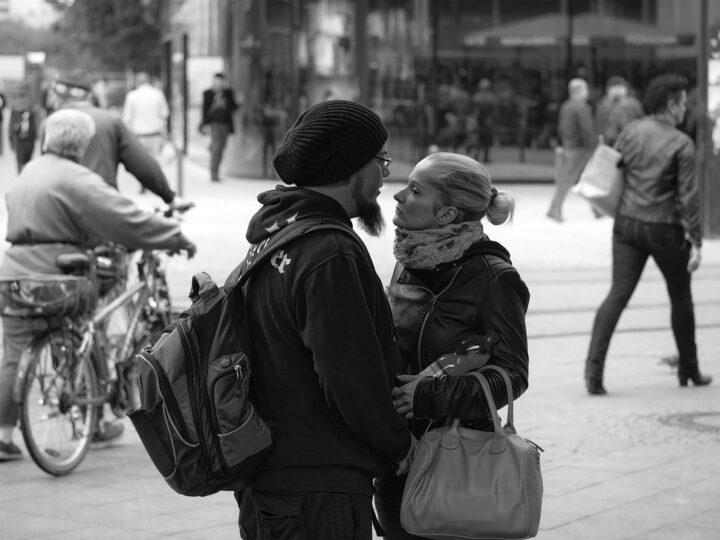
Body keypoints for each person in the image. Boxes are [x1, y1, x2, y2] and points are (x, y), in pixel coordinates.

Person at [236, 100, 414, 540]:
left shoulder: (277, 235)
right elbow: (349, 375)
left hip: (274, 485)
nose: (385, 175)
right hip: (317, 491)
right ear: (350, 167)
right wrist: (400, 447)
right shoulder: (329, 251)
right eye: (380, 160)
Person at [0, 109, 196, 461]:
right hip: (59, 276)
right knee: (84, 330)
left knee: (13, 356)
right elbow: (125, 218)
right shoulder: (78, 178)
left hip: (14, 273)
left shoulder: (31, 170)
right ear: (82, 143)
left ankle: (3, 435)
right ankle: (95, 413)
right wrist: (174, 236)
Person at [374, 152, 530, 539]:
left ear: (445, 215)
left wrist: (430, 396)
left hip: (456, 459)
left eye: (414, 190)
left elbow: (514, 374)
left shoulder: (495, 278)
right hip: (398, 458)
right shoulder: (409, 260)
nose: (397, 197)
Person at [584, 74, 712, 395]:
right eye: (683, 101)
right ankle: (689, 368)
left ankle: (593, 373)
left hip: (627, 224)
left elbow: (616, 168)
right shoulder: (681, 142)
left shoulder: (632, 130)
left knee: (617, 295)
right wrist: (695, 240)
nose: (685, 107)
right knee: (680, 296)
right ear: (671, 105)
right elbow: (688, 196)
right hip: (663, 228)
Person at [46, 74, 179, 207]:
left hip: (62, 205)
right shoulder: (110, 121)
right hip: (104, 202)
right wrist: (168, 196)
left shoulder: (50, 124)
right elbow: (142, 163)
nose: (51, 102)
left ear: (60, 97)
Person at [547, 78, 596, 222]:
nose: (587, 92)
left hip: (569, 145)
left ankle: (597, 210)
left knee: (574, 179)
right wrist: (591, 147)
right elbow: (586, 129)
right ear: (578, 91)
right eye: (585, 89)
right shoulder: (582, 107)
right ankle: (555, 209)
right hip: (579, 148)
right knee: (571, 180)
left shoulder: (566, 106)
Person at [199, 72, 239, 182]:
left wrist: (240, 102)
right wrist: (206, 124)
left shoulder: (228, 93)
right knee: (217, 148)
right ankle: (214, 174)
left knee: (221, 148)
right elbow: (205, 110)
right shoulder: (208, 93)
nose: (218, 83)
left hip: (225, 124)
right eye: (216, 81)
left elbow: (233, 107)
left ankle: (215, 170)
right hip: (214, 124)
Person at [122, 72, 169, 161]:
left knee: (140, 163)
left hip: (138, 135)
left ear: (137, 82)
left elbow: (126, 118)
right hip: (156, 134)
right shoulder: (158, 93)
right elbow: (164, 114)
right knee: (156, 161)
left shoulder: (132, 95)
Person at [595, 76, 643, 147]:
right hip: (611, 143)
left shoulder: (634, 103)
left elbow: (641, 121)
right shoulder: (603, 105)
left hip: (630, 141)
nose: (617, 90)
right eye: (615, 87)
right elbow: (599, 126)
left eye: (619, 86)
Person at [8, 84, 40, 173]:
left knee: (21, 161)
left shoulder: (32, 104)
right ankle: (24, 177)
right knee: (27, 161)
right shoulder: (33, 104)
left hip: (24, 136)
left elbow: (11, 123)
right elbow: (38, 120)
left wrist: (11, 137)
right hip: (26, 136)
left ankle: (22, 177)